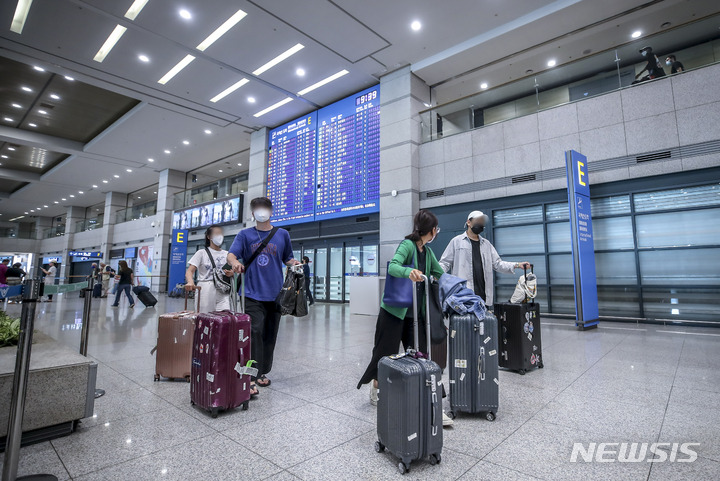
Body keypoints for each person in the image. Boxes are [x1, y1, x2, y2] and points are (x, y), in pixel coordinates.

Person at [356, 210, 454, 425]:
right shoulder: (407, 245)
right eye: (436, 229)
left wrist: (457, 285)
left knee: (422, 357)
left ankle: (432, 403)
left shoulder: (427, 253)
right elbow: (393, 266)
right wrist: (408, 272)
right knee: (384, 353)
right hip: (394, 312)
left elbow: (439, 273)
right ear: (431, 230)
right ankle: (377, 386)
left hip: (415, 317)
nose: (436, 232)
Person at [227, 197, 300, 395]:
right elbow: (231, 255)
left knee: (269, 335)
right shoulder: (244, 235)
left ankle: (262, 372)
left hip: (276, 294)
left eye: (264, 208)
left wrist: (295, 264)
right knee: (254, 332)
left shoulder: (282, 234)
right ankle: (250, 375)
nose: (261, 212)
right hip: (251, 293)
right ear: (252, 213)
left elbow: (287, 258)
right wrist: (234, 262)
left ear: (271, 211)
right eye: (257, 209)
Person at [439, 210, 530, 310]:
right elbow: (445, 263)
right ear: (469, 222)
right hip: (463, 296)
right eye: (478, 221)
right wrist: (434, 275)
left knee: (483, 324)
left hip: (483, 296)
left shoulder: (486, 244)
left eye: (482, 222)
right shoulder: (456, 242)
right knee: (465, 324)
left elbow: (497, 264)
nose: (480, 224)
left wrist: (517, 265)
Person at [185, 225, 234, 313]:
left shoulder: (227, 254)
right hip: (206, 288)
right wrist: (190, 281)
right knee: (205, 317)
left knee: (224, 316)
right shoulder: (201, 253)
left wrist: (231, 273)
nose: (219, 236)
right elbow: (190, 271)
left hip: (223, 288)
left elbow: (234, 270)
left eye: (221, 234)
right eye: (216, 233)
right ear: (209, 237)